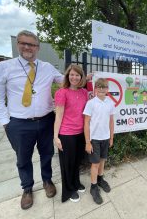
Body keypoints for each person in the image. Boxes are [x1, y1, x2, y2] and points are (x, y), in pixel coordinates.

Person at [0, 30, 63, 210]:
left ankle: (47, 180)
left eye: (32, 44)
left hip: (46, 120)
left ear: (38, 47)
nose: (28, 47)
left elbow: (67, 80)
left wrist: (89, 78)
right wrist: (5, 122)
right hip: (19, 123)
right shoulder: (4, 67)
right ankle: (27, 188)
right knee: (23, 158)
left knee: (46, 154)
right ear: (18, 44)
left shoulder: (47, 67)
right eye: (24, 43)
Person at [54, 65, 89, 203]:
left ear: (81, 77)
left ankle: (75, 182)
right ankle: (69, 190)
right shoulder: (62, 92)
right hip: (66, 134)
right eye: (72, 75)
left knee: (76, 162)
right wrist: (55, 137)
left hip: (80, 133)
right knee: (67, 164)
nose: (74, 77)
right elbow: (58, 116)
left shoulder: (84, 92)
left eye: (77, 75)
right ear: (68, 76)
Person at [83, 78, 115, 205]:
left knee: (102, 160)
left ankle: (100, 179)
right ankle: (93, 186)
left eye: (104, 87)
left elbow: (111, 121)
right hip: (94, 139)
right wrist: (87, 142)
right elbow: (86, 123)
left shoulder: (110, 103)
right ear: (95, 89)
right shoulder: (91, 103)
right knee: (95, 164)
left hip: (106, 137)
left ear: (107, 89)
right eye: (99, 87)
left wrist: (111, 137)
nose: (102, 89)